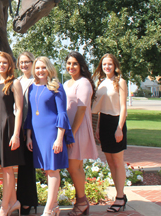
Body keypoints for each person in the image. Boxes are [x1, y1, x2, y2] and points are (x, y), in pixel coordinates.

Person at [25, 57, 74, 216]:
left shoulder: (56, 87)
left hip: (52, 133)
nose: (40, 71)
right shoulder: (32, 87)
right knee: (47, 170)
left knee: (53, 170)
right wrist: (29, 136)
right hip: (37, 136)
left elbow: (62, 114)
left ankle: (48, 209)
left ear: (49, 69)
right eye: (37, 68)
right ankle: (54, 207)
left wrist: (60, 138)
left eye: (43, 68)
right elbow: (30, 114)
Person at [0, 52, 24, 216]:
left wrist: (16, 134)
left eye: (4, 63)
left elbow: (20, 109)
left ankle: (5, 206)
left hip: (8, 127)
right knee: (3, 168)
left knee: (7, 168)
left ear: (10, 66)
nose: (1, 65)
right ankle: (15, 202)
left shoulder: (14, 83)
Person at [92, 53, 128, 213]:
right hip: (104, 122)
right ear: (101, 66)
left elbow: (123, 107)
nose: (107, 67)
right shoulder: (101, 83)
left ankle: (120, 197)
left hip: (116, 123)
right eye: (104, 64)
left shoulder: (120, 82)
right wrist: (98, 127)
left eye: (110, 64)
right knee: (110, 162)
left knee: (118, 162)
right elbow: (100, 108)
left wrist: (119, 128)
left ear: (115, 66)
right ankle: (120, 195)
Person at [64, 51, 98, 216]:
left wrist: (71, 133)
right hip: (69, 129)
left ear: (81, 65)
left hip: (78, 129)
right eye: (69, 63)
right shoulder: (67, 83)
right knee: (75, 167)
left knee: (74, 166)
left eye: (74, 63)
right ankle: (81, 201)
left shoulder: (83, 83)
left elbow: (81, 110)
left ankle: (82, 201)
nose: (71, 66)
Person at [15, 51, 38, 215]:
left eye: (27, 62)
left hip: (33, 128)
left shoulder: (37, 82)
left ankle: (28, 201)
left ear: (33, 63)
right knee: (20, 166)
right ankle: (21, 199)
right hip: (18, 127)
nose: (24, 65)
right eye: (21, 62)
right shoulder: (17, 81)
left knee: (28, 166)